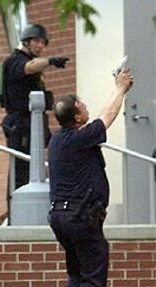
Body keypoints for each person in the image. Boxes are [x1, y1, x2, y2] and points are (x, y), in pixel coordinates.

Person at [48, 69, 133, 286]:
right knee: (94, 277)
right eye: (83, 107)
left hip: (61, 217)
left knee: (77, 275)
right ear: (77, 117)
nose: (87, 109)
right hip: (80, 217)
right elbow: (107, 116)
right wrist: (120, 88)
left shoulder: (57, 140)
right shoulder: (80, 139)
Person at [0, 23, 69, 219]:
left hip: (31, 124)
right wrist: (50, 61)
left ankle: (26, 213)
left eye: (42, 42)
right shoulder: (15, 60)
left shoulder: (27, 61)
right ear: (26, 41)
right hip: (20, 125)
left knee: (33, 169)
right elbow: (28, 68)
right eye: (36, 41)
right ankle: (16, 214)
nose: (40, 46)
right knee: (20, 170)